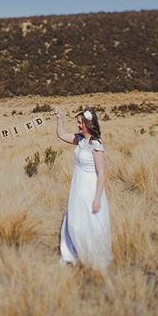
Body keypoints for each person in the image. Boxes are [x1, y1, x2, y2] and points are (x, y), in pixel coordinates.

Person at [54, 107, 113, 272]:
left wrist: (97, 198)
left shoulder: (96, 144)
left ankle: (90, 255)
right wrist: (60, 118)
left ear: (88, 124)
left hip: (89, 187)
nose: (78, 126)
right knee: (75, 218)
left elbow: (101, 173)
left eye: (80, 123)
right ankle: (76, 252)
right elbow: (61, 134)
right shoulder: (80, 139)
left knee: (89, 220)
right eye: (78, 123)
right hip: (77, 185)